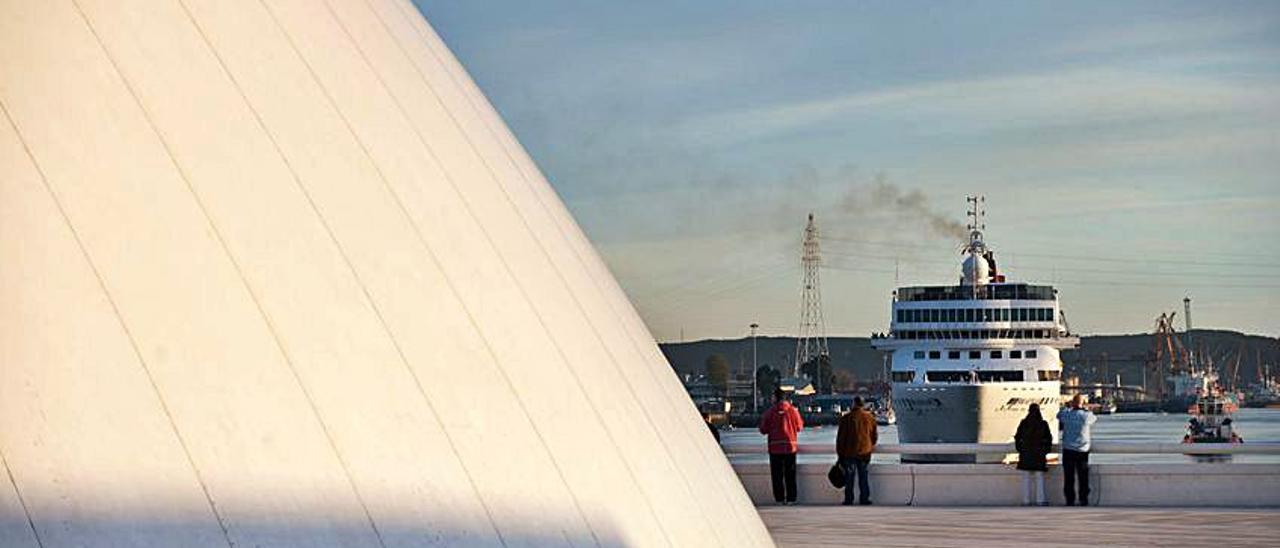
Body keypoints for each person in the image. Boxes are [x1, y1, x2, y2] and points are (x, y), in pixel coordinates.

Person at [759, 388, 804, 505]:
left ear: (775, 398)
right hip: (790, 446)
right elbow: (799, 427)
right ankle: (791, 498)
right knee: (790, 474)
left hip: (775, 447)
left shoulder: (770, 412)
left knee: (777, 475)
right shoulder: (793, 411)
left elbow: (763, 429)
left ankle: (779, 499)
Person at [835, 396, 878, 505]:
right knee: (863, 477)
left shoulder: (846, 418)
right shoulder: (870, 418)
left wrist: (840, 455)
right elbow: (874, 436)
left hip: (849, 452)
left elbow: (841, 439)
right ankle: (864, 498)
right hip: (865, 452)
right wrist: (869, 446)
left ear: (854, 404)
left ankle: (849, 499)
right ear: (863, 405)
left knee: (850, 477)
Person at [1057, 394, 1098, 506]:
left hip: (1068, 449)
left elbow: (1059, 414)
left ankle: (1070, 500)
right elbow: (1094, 418)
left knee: (1069, 477)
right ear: (1083, 403)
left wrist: (1068, 406)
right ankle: (1083, 499)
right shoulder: (1086, 416)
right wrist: (1085, 409)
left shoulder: (1066, 415)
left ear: (1073, 403)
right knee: (1083, 477)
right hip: (1082, 450)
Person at [1014, 403, 1052, 506]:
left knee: (1026, 477)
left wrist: (1020, 449)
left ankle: (1026, 500)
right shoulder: (1043, 424)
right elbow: (1049, 438)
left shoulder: (1024, 423)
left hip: (1026, 453)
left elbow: (1017, 437)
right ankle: (1040, 500)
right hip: (1039, 454)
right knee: (1039, 477)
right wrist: (1046, 450)